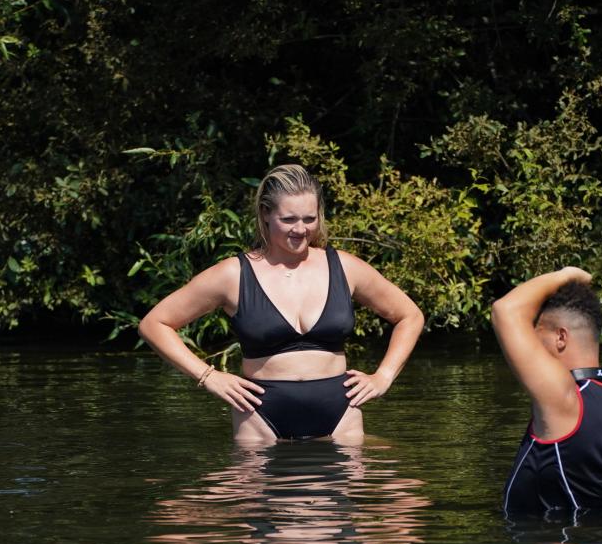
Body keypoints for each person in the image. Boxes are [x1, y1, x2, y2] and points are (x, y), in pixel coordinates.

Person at [138, 164, 424, 443]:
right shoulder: (232, 275)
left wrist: (383, 376)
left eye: (309, 219)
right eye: (288, 220)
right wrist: (209, 377)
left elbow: (409, 315)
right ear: (265, 214)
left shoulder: (346, 267)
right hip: (260, 417)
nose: (300, 229)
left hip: (341, 416)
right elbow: (154, 324)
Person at [490, 268, 602, 514]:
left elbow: (505, 311)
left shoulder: (565, 399)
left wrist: (566, 275)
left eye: (537, 337)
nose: (532, 347)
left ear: (561, 337)